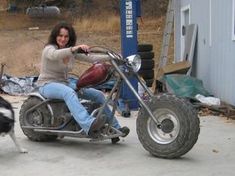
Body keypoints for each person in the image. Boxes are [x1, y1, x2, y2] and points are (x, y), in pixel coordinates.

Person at [36, 21, 129, 143]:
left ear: (70, 38)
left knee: (98, 95)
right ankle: (88, 124)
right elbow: (54, 55)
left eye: (66, 36)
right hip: (47, 84)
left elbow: (91, 58)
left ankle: (114, 127)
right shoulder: (49, 49)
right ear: (55, 36)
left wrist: (112, 57)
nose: (63, 39)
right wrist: (74, 48)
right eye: (60, 35)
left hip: (64, 83)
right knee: (69, 92)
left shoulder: (71, 53)